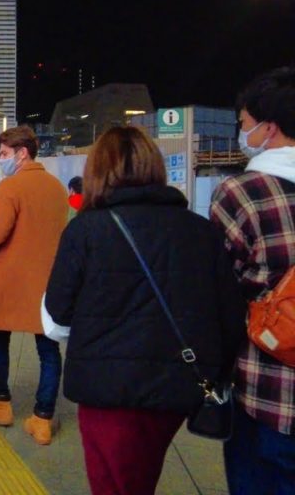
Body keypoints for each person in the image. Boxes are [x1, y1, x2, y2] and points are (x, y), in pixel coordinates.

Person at [44, 127, 244, 495]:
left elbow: (58, 310)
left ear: (96, 172)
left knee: (115, 484)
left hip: (107, 388)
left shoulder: (86, 230)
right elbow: (229, 317)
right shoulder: (201, 230)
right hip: (177, 388)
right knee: (139, 476)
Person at [209, 67, 295, 494]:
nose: (242, 132)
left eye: (244, 124)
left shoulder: (242, 192)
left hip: (267, 391)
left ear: (270, 128)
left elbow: (218, 294)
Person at [0, 126, 68, 445]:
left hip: (9, 281)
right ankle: (42, 417)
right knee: (49, 349)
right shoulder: (56, 188)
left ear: (22, 153)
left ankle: (1, 404)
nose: (1, 160)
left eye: (4, 154)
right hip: (47, 282)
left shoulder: (11, 186)